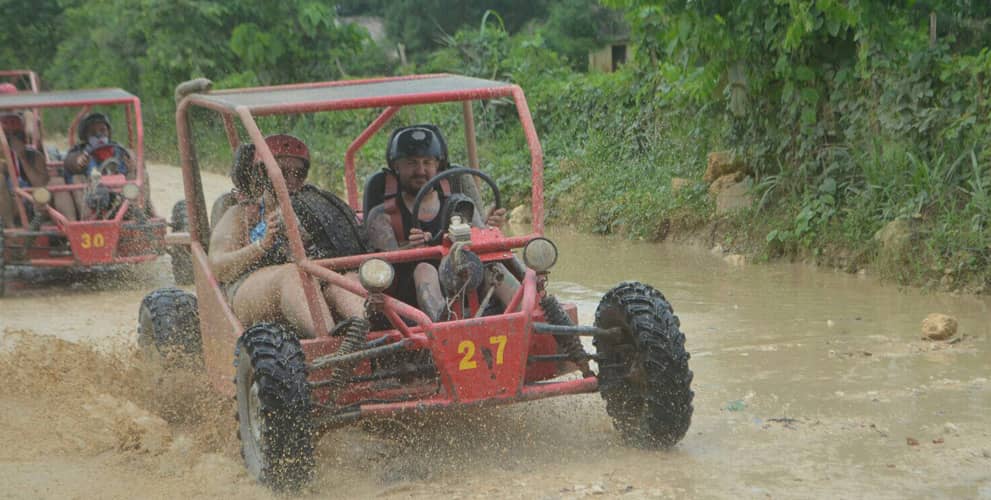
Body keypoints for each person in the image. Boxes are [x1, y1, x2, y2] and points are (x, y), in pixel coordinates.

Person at [209, 134, 369, 339]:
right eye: (282, 172)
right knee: (294, 275)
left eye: (299, 173)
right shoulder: (243, 214)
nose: (291, 180)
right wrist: (261, 245)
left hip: (312, 284)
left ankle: (365, 336)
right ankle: (329, 343)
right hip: (249, 287)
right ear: (262, 173)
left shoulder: (314, 209)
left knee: (346, 280)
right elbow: (218, 266)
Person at [364, 124, 513, 321]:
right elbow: (381, 268)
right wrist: (411, 248)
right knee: (424, 269)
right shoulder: (383, 215)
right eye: (411, 163)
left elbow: (483, 250)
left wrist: (489, 230)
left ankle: (533, 319)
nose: (420, 170)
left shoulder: (461, 204)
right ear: (396, 167)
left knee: (496, 269)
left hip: (463, 278)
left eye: (427, 162)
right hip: (411, 297)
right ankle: (446, 328)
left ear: (438, 166)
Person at [62, 112, 150, 218]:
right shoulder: (80, 151)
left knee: (141, 174)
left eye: (102, 130)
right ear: (85, 136)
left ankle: (136, 212)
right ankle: (89, 219)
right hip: (91, 195)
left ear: (108, 132)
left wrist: (132, 163)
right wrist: (78, 161)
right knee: (76, 178)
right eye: (93, 132)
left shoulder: (118, 150)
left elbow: (136, 162)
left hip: (120, 193)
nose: (99, 135)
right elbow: (69, 161)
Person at [0, 112, 76, 226]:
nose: (12, 141)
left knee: (57, 182)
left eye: (16, 135)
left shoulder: (34, 156)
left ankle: (73, 226)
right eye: (7, 136)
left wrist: (23, 158)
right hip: (10, 205)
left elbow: (40, 184)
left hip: (35, 202)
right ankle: (10, 231)